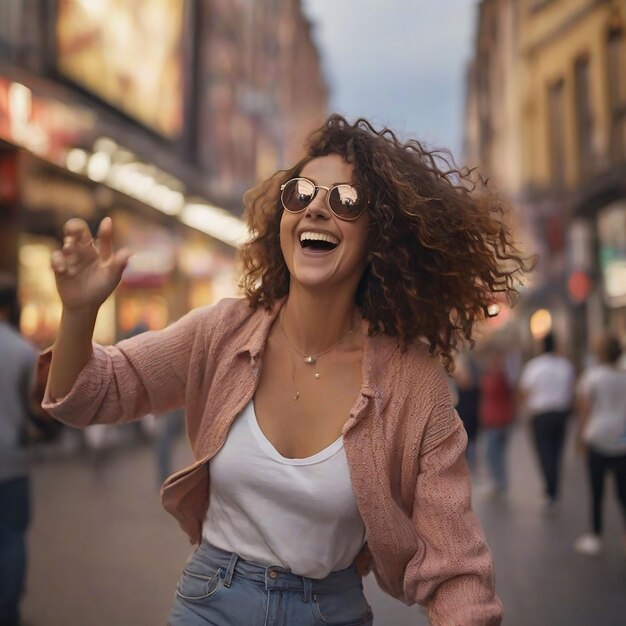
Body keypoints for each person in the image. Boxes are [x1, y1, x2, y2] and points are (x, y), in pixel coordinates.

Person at [37, 115, 531, 625]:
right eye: (302, 193)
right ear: (283, 217)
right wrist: (78, 314)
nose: (317, 206)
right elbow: (86, 395)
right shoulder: (221, 331)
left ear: (379, 236)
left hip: (331, 612)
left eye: (345, 201)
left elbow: (457, 570)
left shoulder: (414, 382)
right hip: (211, 602)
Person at [0, 277, 36, 626]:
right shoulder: (23, 350)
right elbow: (36, 407)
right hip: (11, 459)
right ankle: (7, 610)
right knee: (11, 536)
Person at [573, 331, 626, 557]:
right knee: (623, 493)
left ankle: (595, 535)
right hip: (622, 440)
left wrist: (580, 438)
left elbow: (584, 411)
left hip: (597, 438)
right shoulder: (623, 376)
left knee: (597, 491)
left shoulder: (591, 377)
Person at [517, 332, 575, 510]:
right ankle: (553, 488)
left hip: (540, 415)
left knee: (544, 452)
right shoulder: (565, 366)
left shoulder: (534, 367)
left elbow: (524, 391)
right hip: (560, 414)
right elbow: (572, 389)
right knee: (556, 452)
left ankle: (551, 490)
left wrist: (524, 411)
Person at [478, 347, 515, 498]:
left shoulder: (498, 377)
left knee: (492, 453)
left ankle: (498, 481)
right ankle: (500, 481)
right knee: (496, 452)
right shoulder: (501, 376)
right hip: (498, 419)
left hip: (496, 420)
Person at [454, 351, 482, 473]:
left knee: (471, 445)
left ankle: (471, 468)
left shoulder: (473, 390)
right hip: (466, 420)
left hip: (470, 420)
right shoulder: (464, 390)